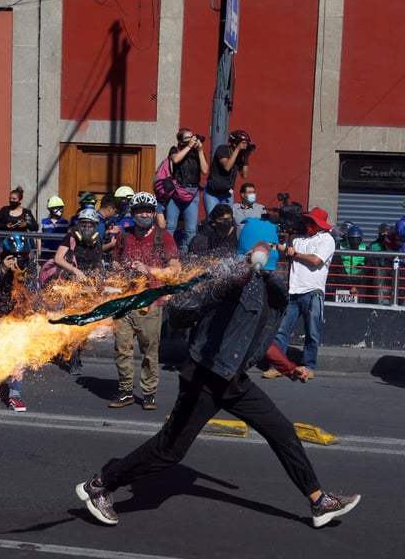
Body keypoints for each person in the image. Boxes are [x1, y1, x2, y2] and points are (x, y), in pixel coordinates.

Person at [75, 217, 361, 527]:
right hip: (205, 377)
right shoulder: (230, 278)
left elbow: (260, 341)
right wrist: (240, 268)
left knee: (283, 433)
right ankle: (99, 486)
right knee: (169, 451)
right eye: (267, 242)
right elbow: (194, 303)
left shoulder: (270, 289)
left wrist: (290, 369)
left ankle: (318, 502)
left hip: (234, 380)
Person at [108, 192, 180, 410]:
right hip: (124, 302)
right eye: (140, 211)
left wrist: (148, 270)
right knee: (122, 348)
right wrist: (122, 269)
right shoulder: (124, 236)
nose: (145, 215)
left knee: (149, 351)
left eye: (148, 211)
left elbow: (175, 269)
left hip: (150, 304)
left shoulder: (163, 237)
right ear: (133, 213)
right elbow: (115, 263)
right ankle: (125, 391)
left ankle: (148, 393)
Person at [266, 207, 335, 378]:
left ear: (319, 224)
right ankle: (278, 366)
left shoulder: (327, 240)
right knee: (281, 329)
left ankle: (308, 366)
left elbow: (315, 260)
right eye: (308, 221)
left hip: (313, 290)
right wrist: (275, 246)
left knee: (312, 331)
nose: (308, 224)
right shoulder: (298, 239)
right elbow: (287, 250)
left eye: (312, 222)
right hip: (294, 290)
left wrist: (295, 254)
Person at [0, 234, 39, 411]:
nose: (19, 260)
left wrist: (21, 277)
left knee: (17, 359)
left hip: (18, 318)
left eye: (23, 256)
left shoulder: (30, 266)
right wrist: (2, 270)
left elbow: (33, 292)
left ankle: (14, 396)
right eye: (14, 256)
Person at [166, 128, 208, 254]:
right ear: (181, 141)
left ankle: (190, 254)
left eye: (192, 137)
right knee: (171, 226)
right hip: (177, 191)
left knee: (191, 228)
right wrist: (189, 147)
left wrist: (200, 151)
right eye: (188, 138)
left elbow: (205, 170)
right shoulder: (175, 150)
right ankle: (166, 252)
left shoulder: (197, 153)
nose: (192, 140)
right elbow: (176, 160)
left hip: (193, 192)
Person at [48, 208, 106, 283]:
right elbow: (58, 258)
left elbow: (97, 265)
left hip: (87, 281)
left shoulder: (98, 241)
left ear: (95, 227)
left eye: (90, 226)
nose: (86, 229)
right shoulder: (71, 237)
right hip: (69, 279)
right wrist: (75, 271)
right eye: (83, 225)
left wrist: (95, 280)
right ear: (78, 225)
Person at [205, 129, 251, 215]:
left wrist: (246, 157)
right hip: (213, 192)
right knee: (212, 219)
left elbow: (244, 175)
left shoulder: (240, 155)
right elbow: (227, 167)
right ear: (234, 143)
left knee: (227, 220)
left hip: (227, 192)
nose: (246, 145)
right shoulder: (222, 149)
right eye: (243, 143)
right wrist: (237, 150)